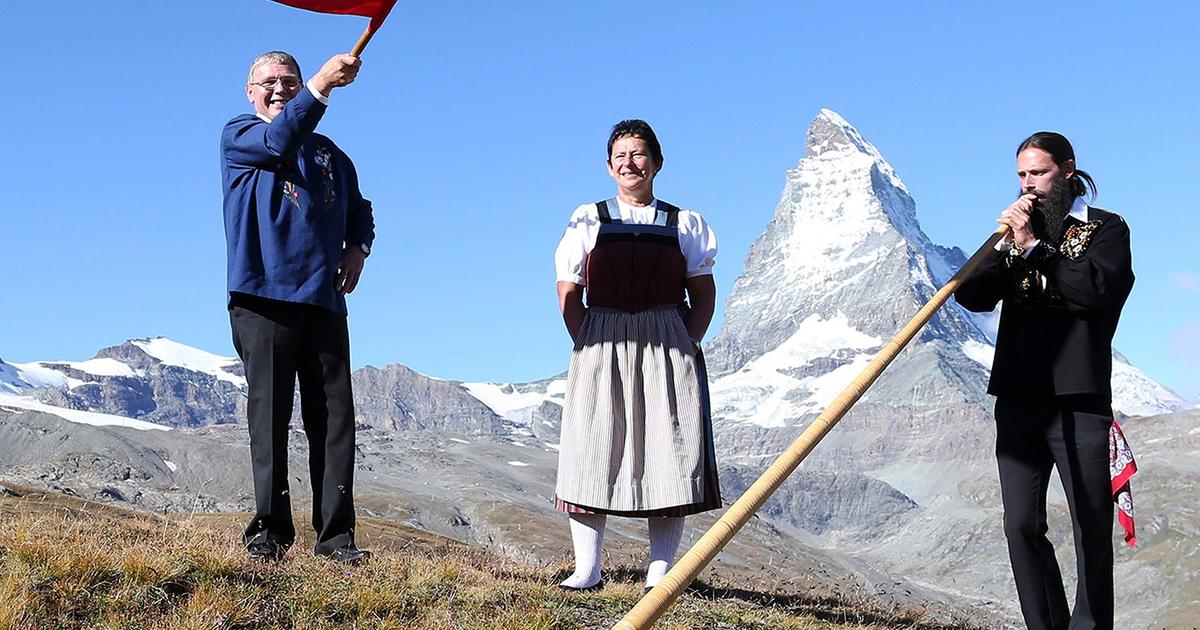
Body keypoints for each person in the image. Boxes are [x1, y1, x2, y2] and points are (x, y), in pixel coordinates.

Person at [955, 132, 1134, 629]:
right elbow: (971, 296)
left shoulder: (1106, 230)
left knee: (1090, 525)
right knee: (1020, 524)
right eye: (1021, 175)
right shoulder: (1012, 235)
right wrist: (1002, 249)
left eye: (1039, 173)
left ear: (1068, 170)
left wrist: (1035, 249)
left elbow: (1090, 293)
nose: (1028, 185)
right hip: (1017, 395)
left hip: (1080, 399)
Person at [552, 119, 722, 591]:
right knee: (592, 442)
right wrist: (584, 334)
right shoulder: (588, 218)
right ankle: (587, 569)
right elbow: (569, 285)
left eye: (639, 154)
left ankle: (661, 573)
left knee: (669, 447)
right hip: (602, 333)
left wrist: (687, 340)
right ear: (609, 167)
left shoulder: (683, 223)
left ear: (657, 163)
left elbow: (703, 291)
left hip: (666, 338)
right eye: (620, 156)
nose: (630, 163)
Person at [220, 50, 375, 565]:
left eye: (290, 80)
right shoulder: (241, 135)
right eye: (270, 81)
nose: (281, 88)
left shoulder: (332, 154)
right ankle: (268, 534)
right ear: (251, 91)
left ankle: (336, 539)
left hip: (324, 302)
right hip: (262, 299)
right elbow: (279, 138)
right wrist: (321, 86)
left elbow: (360, 207)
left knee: (333, 421)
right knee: (270, 418)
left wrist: (358, 247)